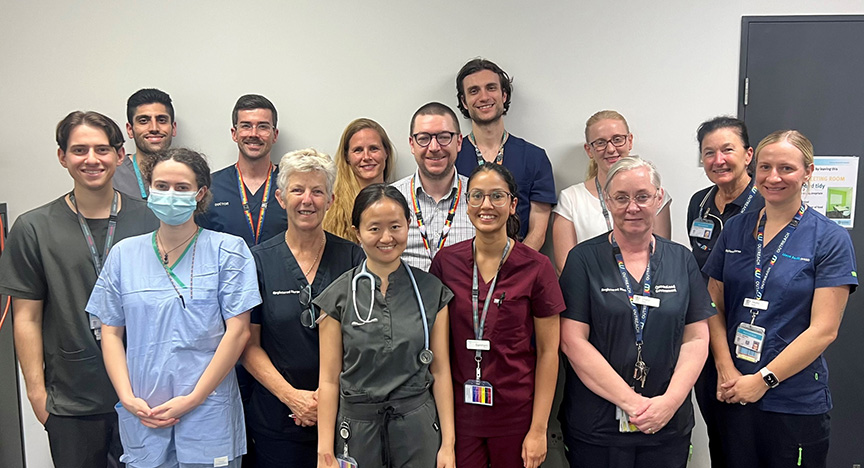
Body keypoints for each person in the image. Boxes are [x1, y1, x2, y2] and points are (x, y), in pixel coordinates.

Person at [0, 111, 158, 467]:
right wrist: (37, 395)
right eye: (79, 150)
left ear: (120, 155)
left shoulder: (150, 220)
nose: (91, 159)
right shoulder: (34, 228)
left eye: (102, 149)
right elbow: (26, 318)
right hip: (71, 400)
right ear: (62, 157)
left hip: (145, 395)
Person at [86, 147, 259, 468]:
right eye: (161, 186)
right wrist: (126, 397)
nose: (170, 195)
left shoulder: (229, 251)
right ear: (149, 189)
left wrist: (194, 398)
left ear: (200, 193)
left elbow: (238, 333)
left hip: (208, 411)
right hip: (144, 411)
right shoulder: (124, 255)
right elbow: (109, 332)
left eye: (182, 188)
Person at [703, 130, 857, 468]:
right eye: (764, 167)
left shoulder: (829, 239)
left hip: (792, 400)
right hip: (734, 392)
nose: (773, 177)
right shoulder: (736, 229)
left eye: (786, 168)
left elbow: (824, 330)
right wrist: (725, 367)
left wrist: (763, 380)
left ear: (808, 172)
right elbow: (713, 301)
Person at [558, 156, 713, 468]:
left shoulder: (681, 260)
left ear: (658, 198)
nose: (633, 207)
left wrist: (669, 403)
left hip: (666, 423)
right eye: (621, 197)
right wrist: (632, 403)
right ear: (607, 200)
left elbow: (697, 338)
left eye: (642, 196)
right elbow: (572, 341)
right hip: (598, 426)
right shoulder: (582, 260)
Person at [430, 163, 563, 468]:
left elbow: (548, 353)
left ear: (513, 204)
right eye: (477, 196)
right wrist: (447, 441)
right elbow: (439, 354)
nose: (486, 205)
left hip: (516, 416)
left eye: (497, 196)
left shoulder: (537, 267)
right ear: (467, 204)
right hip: (461, 417)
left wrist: (538, 430)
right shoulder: (446, 263)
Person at [314, 184, 456, 468]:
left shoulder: (431, 292)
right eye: (374, 228)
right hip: (357, 432)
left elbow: (440, 371)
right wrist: (324, 450)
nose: (387, 237)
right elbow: (329, 380)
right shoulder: (338, 297)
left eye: (395, 226)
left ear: (408, 226)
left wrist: (448, 446)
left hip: (417, 430)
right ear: (357, 233)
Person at [242, 148, 364, 467]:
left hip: (343, 418)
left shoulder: (353, 260)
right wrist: (293, 397)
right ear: (282, 198)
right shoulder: (257, 262)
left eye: (317, 191)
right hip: (277, 420)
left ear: (331, 200)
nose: (307, 200)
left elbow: (364, 342)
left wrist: (326, 399)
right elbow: (247, 344)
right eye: (297, 190)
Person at [686, 116, 764, 467]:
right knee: (718, 433)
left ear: (748, 155)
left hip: (754, 333)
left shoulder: (766, 203)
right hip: (707, 328)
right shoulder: (698, 204)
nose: (718, 159)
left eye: (727, 150)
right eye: (709, 152)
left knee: (752, 438)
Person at [552, 110, 672, 274]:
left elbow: (661, 257)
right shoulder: (571, 199)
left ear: (629, 141)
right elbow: (567, 269)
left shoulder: (654, 196)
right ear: (589, 150)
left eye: (617, 139)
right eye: (600, 142)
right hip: (592, 292)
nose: (610, 149)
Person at [454, 58, 556, 250]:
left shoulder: (535, 158)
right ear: (464, 102)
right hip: (463, 267)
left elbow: (538, 231)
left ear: (504, 95)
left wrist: (513, 266)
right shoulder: (451, 157)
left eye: (491, 88)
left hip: (518, 269)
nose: (484, 97)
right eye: (474, 91)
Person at [392, 102, 475, 271]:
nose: (434, 147)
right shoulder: (390, 199)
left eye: (444, 137)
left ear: (459, 142)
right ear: (412, 144)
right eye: (423, 139)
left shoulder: (480, 200)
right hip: (405, 296)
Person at [198, 94, 288, 246]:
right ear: (234, 133)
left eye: (263, 126)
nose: (254, 134)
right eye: (246, 126)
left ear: (275, 135)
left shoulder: (292, 184)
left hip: (281, 269)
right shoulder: (211, 186)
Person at [323, 118, 396, 242]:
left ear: (386, 152)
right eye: (358, 150)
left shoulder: (400, 201)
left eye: (374, 148)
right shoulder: (330, 207)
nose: (367, 157)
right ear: (347, 157)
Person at [114, 88, 177, 199]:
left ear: (173, 128)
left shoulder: (188, 173)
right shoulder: (112, 174)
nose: (154, 128)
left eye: (161, 120)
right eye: (143, 121)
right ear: (130, 130)